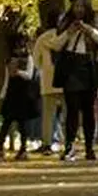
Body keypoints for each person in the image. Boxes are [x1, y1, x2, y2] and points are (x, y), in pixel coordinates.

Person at [53, 0, 98, 160]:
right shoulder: (65, 22)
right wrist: (68, 32)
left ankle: (89, 148)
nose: (78, 9)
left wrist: (90, 30)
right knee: (71, 109)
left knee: (88, 110)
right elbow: (55, 45)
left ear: (87, 6)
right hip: (71, 66)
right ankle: (69, 147)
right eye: (75, 5)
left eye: (81, 6)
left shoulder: (97, 22)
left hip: (90, 65)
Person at [0, 32, 38, 160]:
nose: (19, 49)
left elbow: (29, 75)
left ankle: (23, 149)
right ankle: (0, 148)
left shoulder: (28, 58)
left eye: (21, 46)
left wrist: (17, 72)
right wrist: (2, 94)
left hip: (24, 94)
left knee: (22, 124)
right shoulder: (9, 59)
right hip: (12, 94)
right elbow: (7, 79)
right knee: (6, 122)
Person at [31, 17, 65, 152]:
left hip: (48, 80)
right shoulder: (65, 36)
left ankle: (47, 143)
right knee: (68, 113)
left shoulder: (42, 38)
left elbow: (35, 59)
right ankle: (69, 142)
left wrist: (44, 68)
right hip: (65, 80)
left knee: (48, 115)